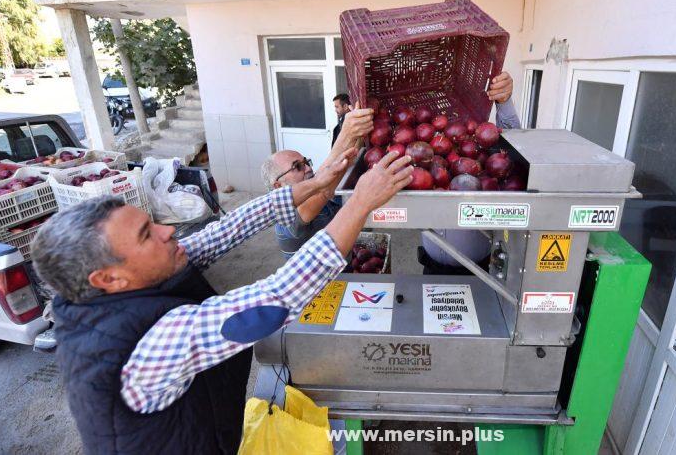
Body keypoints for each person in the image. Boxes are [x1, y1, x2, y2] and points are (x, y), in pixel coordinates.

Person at [31, 149, 413, 455]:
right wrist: (359, 203)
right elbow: (275, 298)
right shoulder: (147, 344)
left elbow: (229, 228)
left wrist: (318, 183)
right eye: (147, 234)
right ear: (109, 277)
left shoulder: (119, 286)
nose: (168, 231)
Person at [419, 70, 521, 274]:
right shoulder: (428, 150)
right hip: (431, 266)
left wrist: (504, 102)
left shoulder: (480, 147)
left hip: (480, 271)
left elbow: (514, 144)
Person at [263, 105, 374, 260]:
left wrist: (358, 133)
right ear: (278, 185)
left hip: (342, 268)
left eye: (306, 162)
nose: (308, 168)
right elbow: (323, 186)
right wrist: (347, 134)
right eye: (297, 167)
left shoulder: (316, 191)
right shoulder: (284, 218)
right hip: (318, 283)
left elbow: (345, 163)